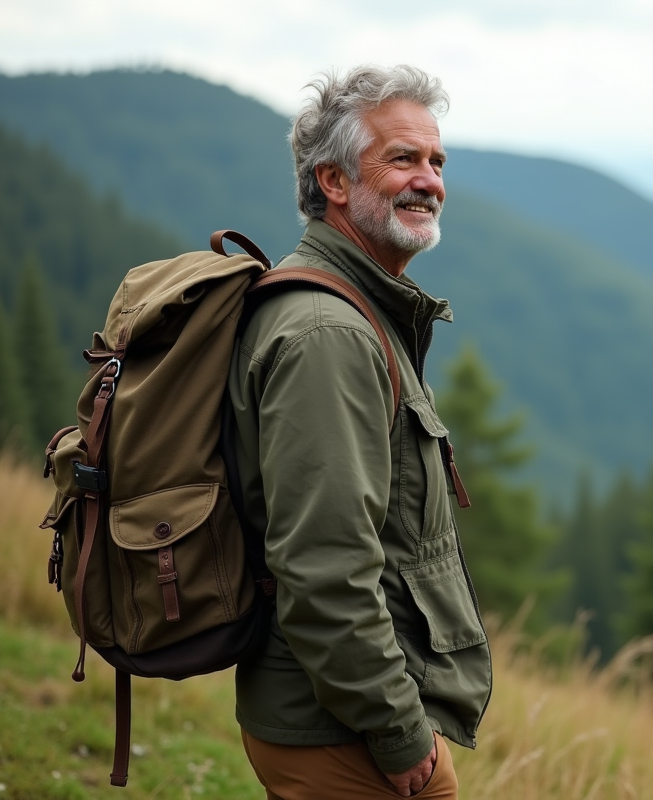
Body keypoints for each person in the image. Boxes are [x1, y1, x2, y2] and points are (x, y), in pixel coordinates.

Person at [226, 65, 492, 799]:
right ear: (334, 183)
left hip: (343, 713)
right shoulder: (326, 335)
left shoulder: (356, 309)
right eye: (402, 158)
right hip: (339, 727)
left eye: (437, 161)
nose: (429, 180)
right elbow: (324, 566)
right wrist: (398, 731)